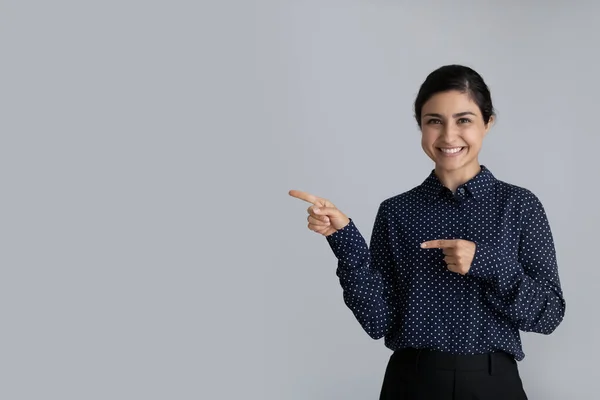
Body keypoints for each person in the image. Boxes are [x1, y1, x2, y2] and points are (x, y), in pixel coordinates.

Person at [289, 64, 566, 400]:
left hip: (494, 384)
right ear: (420, 126)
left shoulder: (520, 206)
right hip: (412, 383)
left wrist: (487, 263)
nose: (448, 136)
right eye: (434, 121)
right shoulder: (396, 211)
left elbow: (549, 315)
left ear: (487, 123)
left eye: (464, 120)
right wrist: (344, 238)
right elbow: (378, 322)